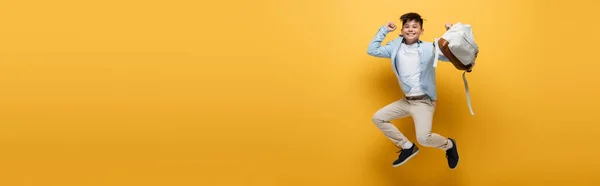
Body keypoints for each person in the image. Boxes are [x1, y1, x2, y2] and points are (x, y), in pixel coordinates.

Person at [366, 12, 459, 169]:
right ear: (402, 30)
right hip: (406, 100)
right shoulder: (394, 48)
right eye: (407, 26)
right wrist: (384, 30)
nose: (410, 29)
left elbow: (453, 56)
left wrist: (452, 33)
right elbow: (372, 50)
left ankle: (449, 145)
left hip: (424, 101)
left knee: (424, 139)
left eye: (415, 26)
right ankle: (407, 147)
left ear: (421, 31)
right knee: (378, 118)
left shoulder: (430, 48)